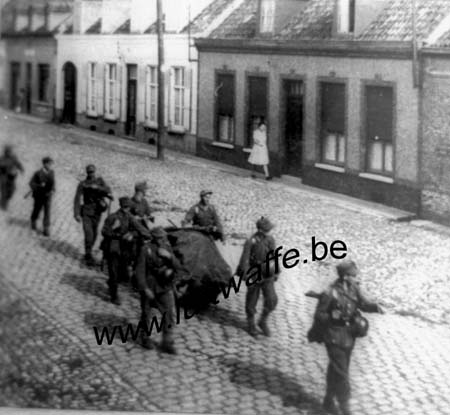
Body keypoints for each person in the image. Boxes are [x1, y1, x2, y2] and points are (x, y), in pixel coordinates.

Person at [313, 260, 384, 415]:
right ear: (345, 276)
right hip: (333, 336)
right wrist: (332, 317)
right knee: (342, 374)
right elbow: (319, 315)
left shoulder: (354, 289)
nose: (356, 278)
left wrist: (376, 307)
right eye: (353, 276)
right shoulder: (330, 292)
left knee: (336, 369)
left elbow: (363, 304)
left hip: (348, 336)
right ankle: (345, 407)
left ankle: (328, 401)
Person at [135, 227, 183, 355]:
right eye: (159, 238)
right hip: (150, 286)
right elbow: (139, 271)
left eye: (163, 237)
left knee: (169, 314)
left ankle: (167, 342)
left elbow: (178, 267)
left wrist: (169, 256)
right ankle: (145, 337)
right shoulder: (145, 249)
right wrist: (144, 289)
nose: (162, 240)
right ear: (154, 238)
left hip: (164, 286)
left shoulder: (167, 248)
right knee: (146, 314)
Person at [101, 197, 152, 305]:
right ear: (121, 206)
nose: (127, 209)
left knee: (123, 275)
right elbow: (104, 232)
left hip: (124, 249)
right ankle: (114, 296)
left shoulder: (130, 217)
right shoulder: (113, 217)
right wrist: (117, 234)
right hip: (112, 248)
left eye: (128, 207)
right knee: (114, 272)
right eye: (125, 207)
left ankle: (111, 282)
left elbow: (141, 229)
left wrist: (134, 234)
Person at [236, 216, 279, 337]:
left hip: (267, 273)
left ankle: (262, 321)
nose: (268, 232)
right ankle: (251, 323)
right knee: (251, 300)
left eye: (268, 229)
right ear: (260, 229)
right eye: (266, 229)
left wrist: (276, 272)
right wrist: (245, 273)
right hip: (254, 273)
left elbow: (274, 256)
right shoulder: (251, 241)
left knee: (272, 300)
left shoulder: (270, 240)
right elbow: (244, 259)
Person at [74, 165, 113, 266]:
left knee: (95, 233)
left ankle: (89, 250)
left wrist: (98, 188)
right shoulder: (82, 184)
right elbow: (77, 199)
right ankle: (88, 255)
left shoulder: (100, 181)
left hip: (97, 211)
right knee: (88, 234)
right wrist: (77, 214)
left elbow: (108, 190)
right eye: (89, 172)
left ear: (95, 172)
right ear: (87, 173)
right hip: (86, 211)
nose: (91, 174)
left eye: (92, 172)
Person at [29, 157, 55, 236]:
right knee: (37, 210)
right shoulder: (37, 173)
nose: (50, 165)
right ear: (44, 164)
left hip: (48, 196)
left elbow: (53, 182)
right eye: (49, 164)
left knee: (47, 212)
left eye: (51, 164)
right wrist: (39, 185)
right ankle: (33, 223)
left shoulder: (52, 172)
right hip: (39, 196)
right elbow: (31, 183)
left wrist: (53, 189)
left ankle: (46, 228)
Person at [0, 145, 24, 210]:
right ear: (5, 152)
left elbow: (18, 164)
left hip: (12, 177)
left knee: (12, 190)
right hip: (3, 178)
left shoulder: (14, 158)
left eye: (10, 151)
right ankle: (3, 206)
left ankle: (5, 200)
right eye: (8, 151)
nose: (9, 153)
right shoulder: (2, 159)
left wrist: (21, 169)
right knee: (4, 191)